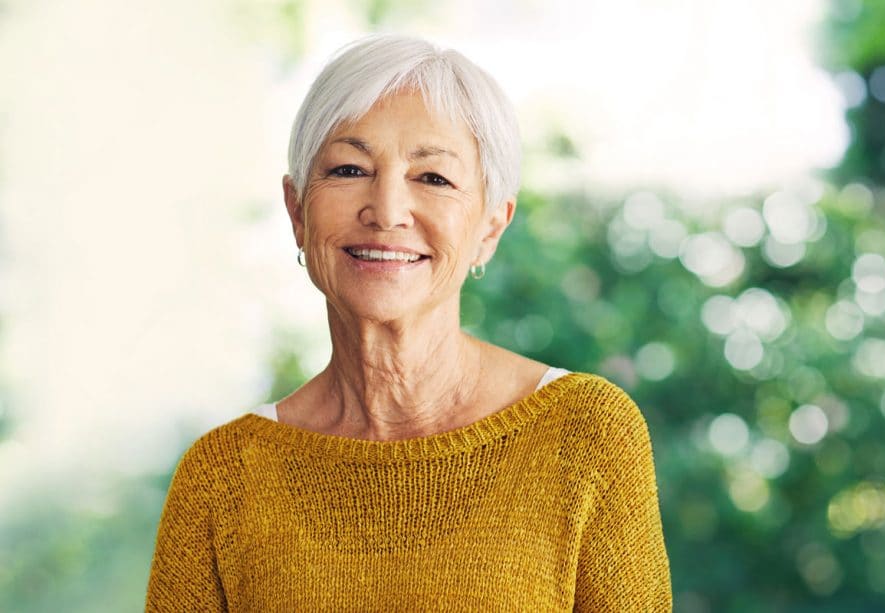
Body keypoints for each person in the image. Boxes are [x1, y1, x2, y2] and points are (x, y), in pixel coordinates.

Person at [145, 34, 671, 611]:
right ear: (297, 212)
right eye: (349, 169)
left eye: (433, 178)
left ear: (491, 227)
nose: (387, 212)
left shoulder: (588, 435)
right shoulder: (221, 479)